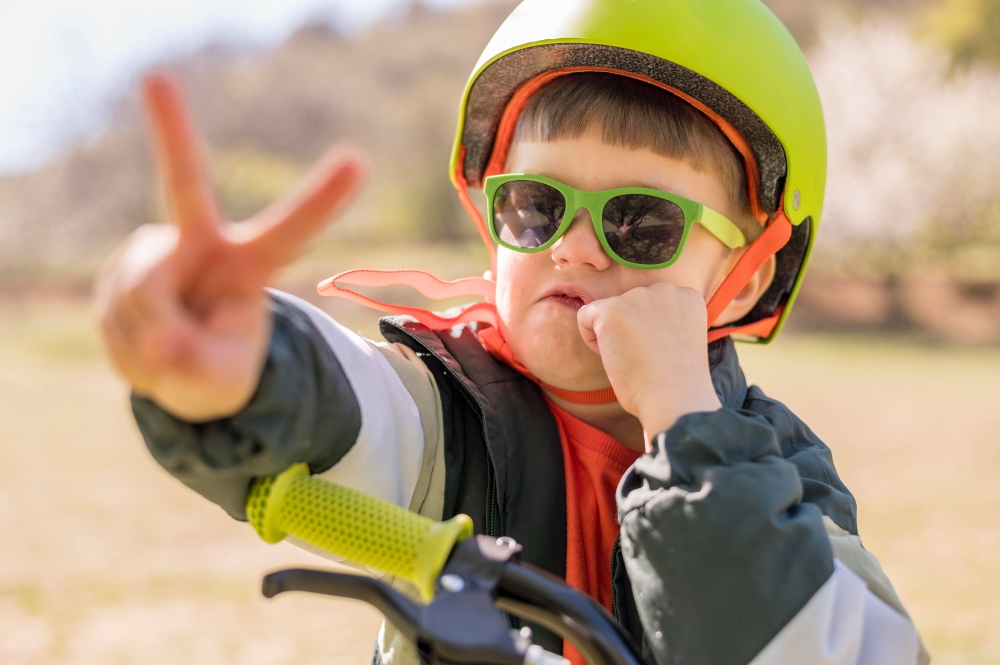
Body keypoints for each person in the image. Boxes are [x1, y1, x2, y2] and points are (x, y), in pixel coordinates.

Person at [95, 1, 929, 664]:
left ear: (742, 272)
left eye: (641, 223)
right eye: (536, 207)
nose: (571, 245)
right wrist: (245, 367)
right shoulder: (454, 415)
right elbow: (352, 411)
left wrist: (684, 419)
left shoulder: (779, 475)